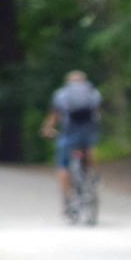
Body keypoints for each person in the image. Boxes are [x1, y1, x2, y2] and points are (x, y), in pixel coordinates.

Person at [41, 71, 102, 217]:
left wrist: (47, 129)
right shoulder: (93, 93)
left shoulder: (61, 94)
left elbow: (54, 115)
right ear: (84, 81)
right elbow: (97, 114)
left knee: (63, 166)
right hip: (88, 133)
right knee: (90, 148)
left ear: (68, 82)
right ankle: (94, 176)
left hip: (68, 134)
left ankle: (69, 200)